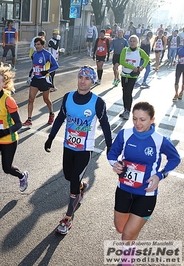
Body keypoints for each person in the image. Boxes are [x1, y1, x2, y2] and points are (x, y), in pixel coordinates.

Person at [107, 102, 181, 264]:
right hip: (123, 190)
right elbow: (112, 154)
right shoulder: (125, 134)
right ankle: (131, 242)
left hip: (146, 194)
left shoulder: (160, 140)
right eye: (134, 119)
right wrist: (115, 164)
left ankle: (127, 260)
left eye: (143, 119)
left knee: (127, 234)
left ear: (152, 120)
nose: (138, 123)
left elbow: (175, 158)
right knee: (121, 228)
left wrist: (160, 175)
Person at [44, 66, 113, 235]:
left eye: (87, 78)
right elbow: (60, 118)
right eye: (81, 77)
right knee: (69, 176)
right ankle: (81, 187)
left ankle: (67, 218)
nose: (83, 80)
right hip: (68, 146)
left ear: (93, 81)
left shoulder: (97, 102)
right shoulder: (68, 97)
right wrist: (51, 137)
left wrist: (110, 146)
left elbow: (105, 125)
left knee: (73, 179)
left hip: (85, 149)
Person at [0, 63, 29, 211]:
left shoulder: (8, 100)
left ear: (4, 83)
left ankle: (22, 176)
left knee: (7, 168)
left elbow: (19, 124)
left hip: (9, 140)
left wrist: (5, 131)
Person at [23, 37, 59, 126]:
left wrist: (47, 71)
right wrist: (31, 75)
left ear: (43, 45)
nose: (36, 46)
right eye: (35, 45)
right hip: (35, 79)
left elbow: (56, 66)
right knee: (31, 99)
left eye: (38, 44)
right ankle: (29, 119)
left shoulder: (47, 54)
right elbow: (34, 66)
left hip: (44, 80)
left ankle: (51, 114)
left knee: (46, 99)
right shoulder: (34, 54)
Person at [119, 35, 150, 120]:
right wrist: (133, 67)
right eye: (131, 41)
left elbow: (147, 59)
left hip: (133, 76)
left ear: (137, 42)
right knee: (124, 93)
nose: (132, 43)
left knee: (129, 93)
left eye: (134, 41)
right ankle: (125, 109)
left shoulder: (140, 51)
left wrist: (142, 67)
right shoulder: (125, 50)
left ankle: (128, 111)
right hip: (124, 74)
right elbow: (121, 61)